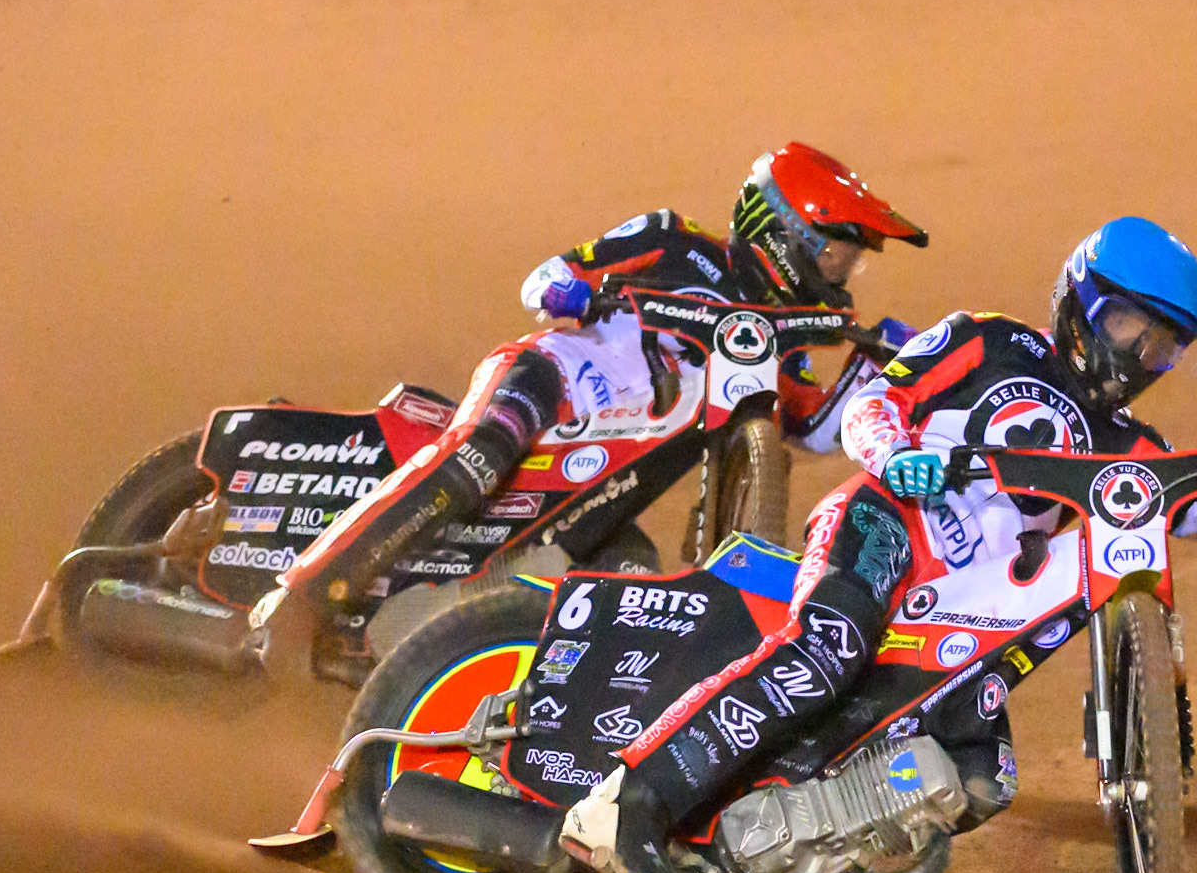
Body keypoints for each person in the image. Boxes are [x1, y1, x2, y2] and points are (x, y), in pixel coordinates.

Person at [564, 216, 1197, 873]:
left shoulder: (1131, 444)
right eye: (1130, 322)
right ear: (1081, 300)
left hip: (965, 608)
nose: (1138, 353)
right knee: (826, 648)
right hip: (889, 524)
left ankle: (775, 848)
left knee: (981, 774)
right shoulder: (989, 340)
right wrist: (893, 457)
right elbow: (878, 402)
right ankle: (625, 807)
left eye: (1161, 344)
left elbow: (1196, 507)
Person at [251, 143, 928, 678]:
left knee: (628, 583)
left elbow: (809, 423)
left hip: (608, 483)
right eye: (838, 250)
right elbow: (549, 276)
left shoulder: (785, 331)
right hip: (550, 380)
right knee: (477, 457)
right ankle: (304, 593)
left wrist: (878, 366)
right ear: (787, 231)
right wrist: (572, 290)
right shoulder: (675, 242)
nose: (842, 272)